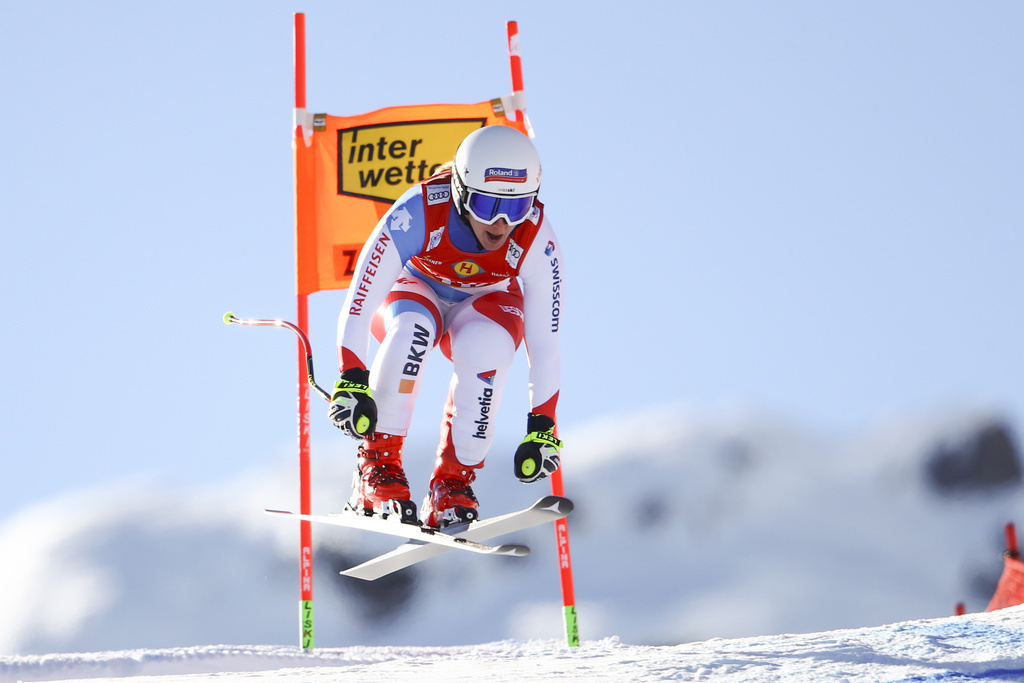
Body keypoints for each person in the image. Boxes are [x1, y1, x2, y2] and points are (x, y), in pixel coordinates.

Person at [328, 125, 564, 528]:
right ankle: (377, 468)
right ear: (460, 192)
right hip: (418, 287)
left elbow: (544, 342)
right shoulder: (419, 211)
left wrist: (543, 425)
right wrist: (351, 376)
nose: (502, 223)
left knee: (488, 349)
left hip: (485, 298)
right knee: (411, 333)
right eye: (488, 206)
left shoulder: (536, 236)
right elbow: (360, 299)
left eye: (518, 207)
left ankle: (453, 484)